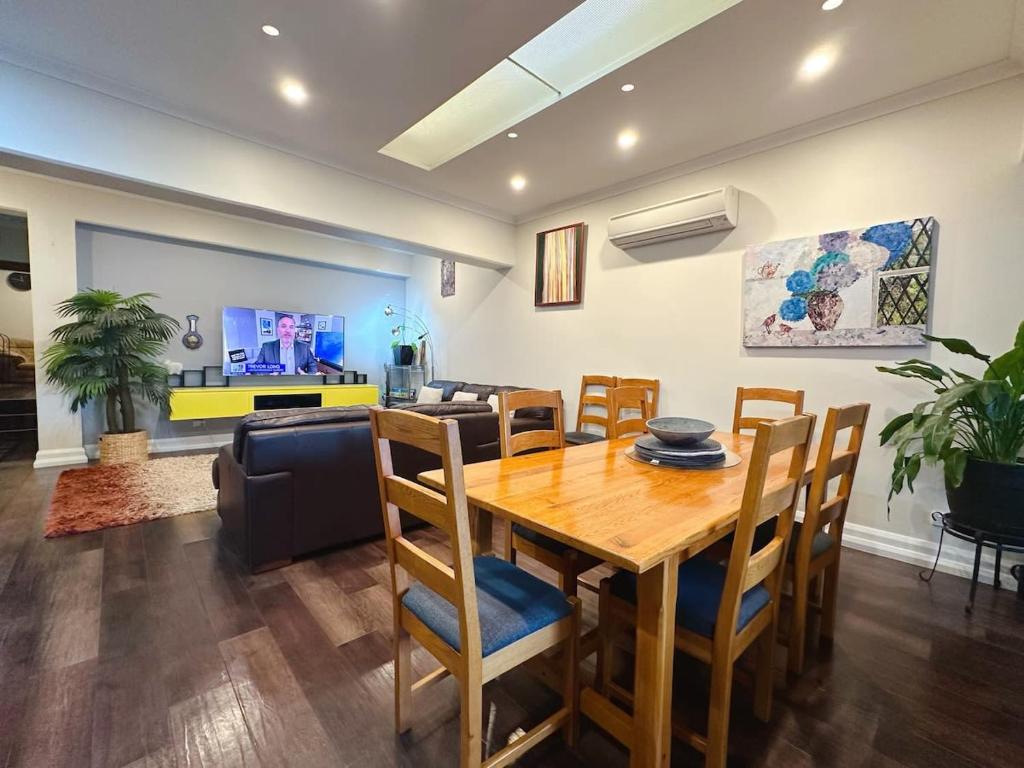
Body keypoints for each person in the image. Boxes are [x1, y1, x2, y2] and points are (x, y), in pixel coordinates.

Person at [254, 314, 318, 374]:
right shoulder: (266, 347)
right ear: (278, 330)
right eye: (283, 326)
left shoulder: (305, 347)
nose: (288, 330)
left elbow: (312, 366)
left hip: (298, 385)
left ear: (294, 331)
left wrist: (308, 377)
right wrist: (267, 375)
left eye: (291, 327)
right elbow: (255, 368)